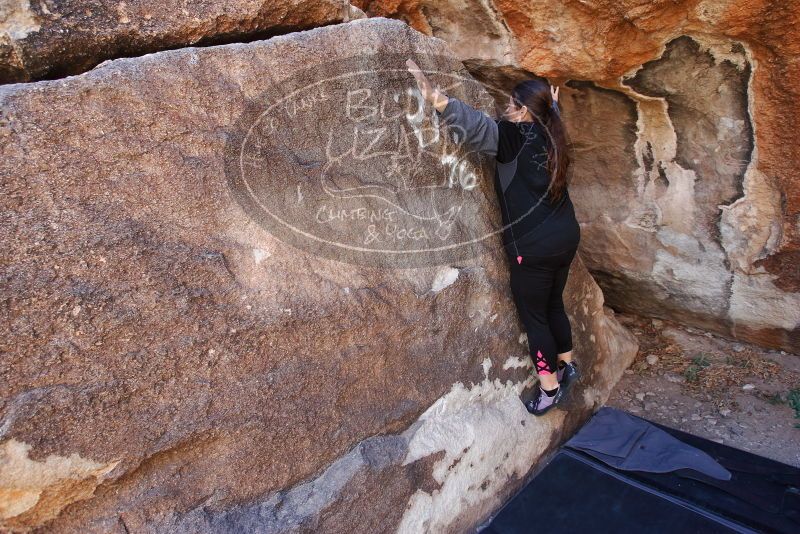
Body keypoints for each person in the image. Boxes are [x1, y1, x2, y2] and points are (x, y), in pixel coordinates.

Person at [406, 59, 581, 416]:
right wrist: (553, 106)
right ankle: (567, 365)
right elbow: (539, 117)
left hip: (532, 248)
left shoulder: (511, 138)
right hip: (565, 237)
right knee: (554, 304)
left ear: (523, 114)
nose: (506, 108)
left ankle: (549, 389)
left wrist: (434, 97)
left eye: (512, 105)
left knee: (536, 319)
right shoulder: (555, 135)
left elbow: (474, 125)